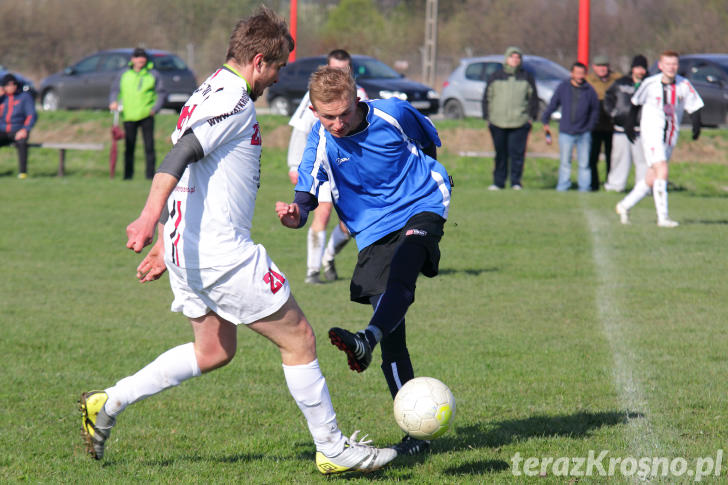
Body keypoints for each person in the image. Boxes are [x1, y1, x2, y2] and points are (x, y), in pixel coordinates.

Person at [79, 8, 396, 475]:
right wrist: (149, 218)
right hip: (220, 254)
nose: (278, 77)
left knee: (214, 351)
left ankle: (108, 403)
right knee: (300, 339)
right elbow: (181, 154)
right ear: (260, 60)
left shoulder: (206, 88)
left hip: (189, 249)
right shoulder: (233, 100)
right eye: (279, 67)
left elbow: (189, 170)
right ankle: (332, 448)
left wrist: (166, 238)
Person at [276, 66, 452, 456]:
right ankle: (415, 438)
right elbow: (305, 198)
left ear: (357, 101)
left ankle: (365, 339)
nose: (337, 124)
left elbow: (428, 143)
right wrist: (295, 216)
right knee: (394, 331)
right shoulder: (319, 142)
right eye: (328, 117)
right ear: (314, 112)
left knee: (406, 264)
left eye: (344, 114)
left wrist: (419, 181)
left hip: (423, 203)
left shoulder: (393, 113)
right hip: (372, 230)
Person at [287, 49, 367, 284]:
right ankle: (312, 271)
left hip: (351, 169)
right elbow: (301, 130)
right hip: (323, 166)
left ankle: (328, 258)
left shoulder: (359, 94)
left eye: (343, 70)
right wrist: (294, 165)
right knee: (321, 214)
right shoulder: (315, 96)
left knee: (351, 223)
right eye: (334, 70)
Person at [616, 50, 703, 228]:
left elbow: (694, 106)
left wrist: (696, 125)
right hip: (652, 134)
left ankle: (624, 205)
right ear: (661, 66)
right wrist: (629, 125)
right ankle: (662, 218)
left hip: (670, 135)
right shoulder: (650, 84)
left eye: (674, 64)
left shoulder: (683, 84)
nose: (671, 67)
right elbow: (635, 103)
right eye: (668, 64)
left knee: (652, 177)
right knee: (662, 169)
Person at [481, 46, 538, 191]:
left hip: (520, 122)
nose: (515, 60)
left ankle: (515, 182)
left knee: (517, 154)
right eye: (512, 57)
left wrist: (531, 117)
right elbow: (487, 97)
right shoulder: (495, 76)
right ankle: (498, 182)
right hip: (497, 122)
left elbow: (533, 99)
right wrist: (487, 117)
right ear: (506, 58)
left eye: (517, 57)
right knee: (500, 154)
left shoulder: (526, 77)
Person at [109, 47, 166, 180]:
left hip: (147, 114)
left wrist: (155, 108)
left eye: (143, 58)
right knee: (129, 147)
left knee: (149, 147)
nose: (140, 61)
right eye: (138, 58)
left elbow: (161, 93)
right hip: (129, 114)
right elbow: (115, 90)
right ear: (133, 59)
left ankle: (150, 175)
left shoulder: (153, 74)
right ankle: (128, 175)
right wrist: (113, 101)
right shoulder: (124, 74)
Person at [542, 62, 600, 191]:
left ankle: (584, 188)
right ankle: (563, 186)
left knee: (584, 163)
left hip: (584, 132)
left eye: (582, 73)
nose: (579, 76)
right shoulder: (563, 88)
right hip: (566, 132)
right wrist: (545, 118)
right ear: (571, 73)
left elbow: (595, 110)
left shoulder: (590, 90)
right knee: (565, 162)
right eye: (577, 73)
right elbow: (553, 104)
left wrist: (590, 126)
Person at [603, 55, 649, 192]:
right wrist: (613, 114)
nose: (640, 71)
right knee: (619, 158)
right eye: (638, 68)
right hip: (621, 128)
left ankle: (643, 188)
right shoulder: (621, 83)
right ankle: (615, 186)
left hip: (641, 130)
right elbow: (608, 98)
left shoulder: (649, 84)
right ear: (633, 68)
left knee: (643, 161)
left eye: (643, 68)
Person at [586, 55, 621, 191]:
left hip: (611, 123)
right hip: (595, 123)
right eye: (599, 66)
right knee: (593, 156)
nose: (602, 69)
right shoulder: (589, 80)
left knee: (611, 156)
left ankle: (610, 182)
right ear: (594, 67)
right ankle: (593, 183)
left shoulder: (616, 79)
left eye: (604, 66)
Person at [0, 74, 37, 179]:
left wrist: (25, 129)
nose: (12, 87)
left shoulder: (24, 97)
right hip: (3, 130)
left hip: (18, 130)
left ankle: (22, 172)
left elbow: (31, 115)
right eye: (8, 85)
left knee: (22, 142)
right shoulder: (3, 99)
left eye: (14, 84)